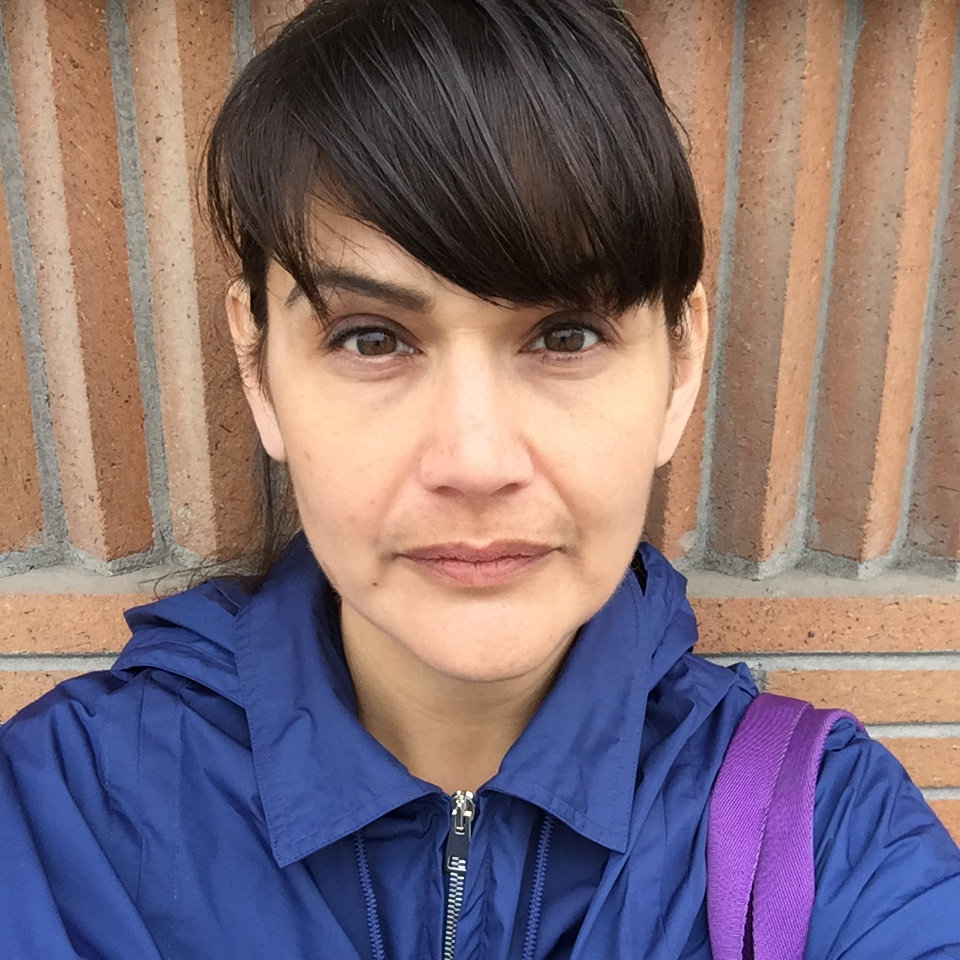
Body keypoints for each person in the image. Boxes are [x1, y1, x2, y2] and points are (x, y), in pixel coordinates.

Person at [2, 1, 959, 958]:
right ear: (259, 370)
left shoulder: (828, 837)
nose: (475, 463)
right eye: (371, 339)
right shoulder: (60, 817)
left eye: (566, 336)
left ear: (680, 368)